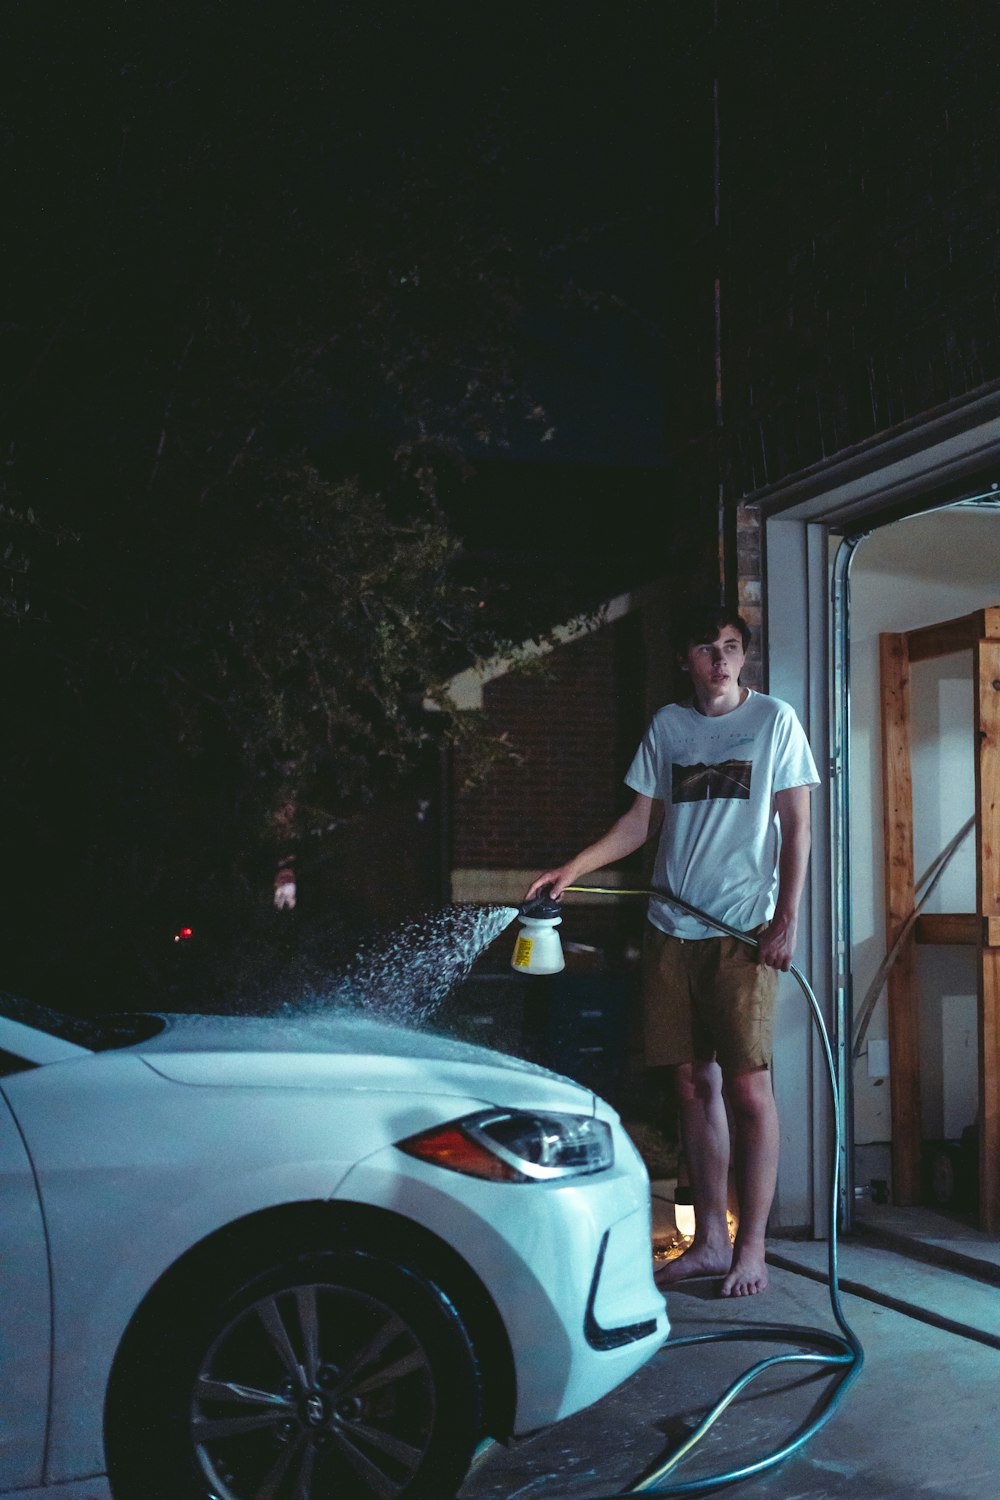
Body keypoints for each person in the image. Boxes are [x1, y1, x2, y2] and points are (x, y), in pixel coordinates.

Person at [525, 603, 819, 1297]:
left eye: (731, 647)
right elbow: (639, 821)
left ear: (743, 657)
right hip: (671, 927)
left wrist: (786, 919)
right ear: (686, 661)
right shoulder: (669, 726)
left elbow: (798, 826)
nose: (720, 660)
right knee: (692, 1087)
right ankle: (711, 1241)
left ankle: (753, 1249)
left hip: (741, 930)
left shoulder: (773, 721)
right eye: (707, 648)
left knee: (749, 1087)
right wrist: (572, 869)